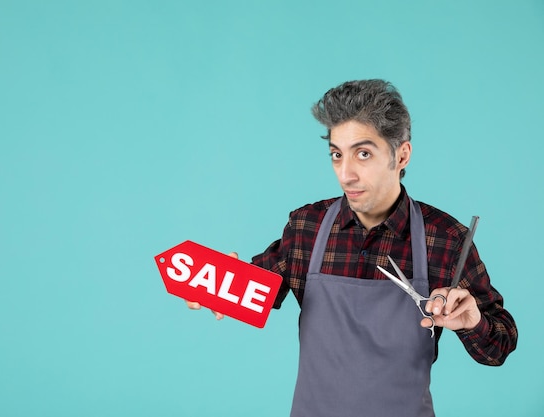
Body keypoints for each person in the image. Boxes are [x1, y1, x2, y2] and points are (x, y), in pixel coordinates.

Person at [185, 79, 518, 417]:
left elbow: (500, 345)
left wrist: (472, 321)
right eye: (336, 155)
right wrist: (217, 286)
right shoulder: (306, 228)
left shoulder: (445, 239)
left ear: (401, 154)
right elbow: (257, 290)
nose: (346, 174)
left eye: (363, 153)